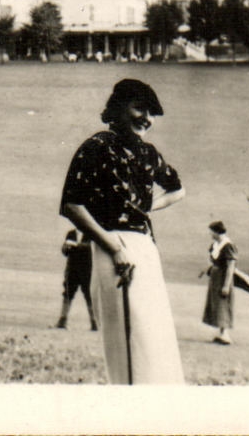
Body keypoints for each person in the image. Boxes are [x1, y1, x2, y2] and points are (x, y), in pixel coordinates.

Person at [59, 77, 185, 384]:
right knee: (128, 343)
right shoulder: (96, 147)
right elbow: (72, 206)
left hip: (145, 249)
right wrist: (114, 248)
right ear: (118, 108)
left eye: (152, 113)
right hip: (111, 248)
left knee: (155, 340)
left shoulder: (148, 154)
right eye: (139, 108)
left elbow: (178, 190)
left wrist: (143, 208)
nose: (146, 118)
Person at [201, 221, 238, 344]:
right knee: (216, 305)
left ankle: (226, 335)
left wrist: (226, 285)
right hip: (215, 279)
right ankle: (221, 334)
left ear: (217, 232)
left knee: (223, 305)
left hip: (223, 278)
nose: (210, 234)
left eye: (211, 231)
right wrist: (204, 270)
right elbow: (212, 261)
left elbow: (231, 266)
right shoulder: (215, 245)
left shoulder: (228, 245)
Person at [55, 229, 97, 331]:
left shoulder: (90, 234)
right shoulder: (71, 233)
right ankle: (63, 320)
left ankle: (94, 322)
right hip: (72, 270)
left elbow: (90, 248)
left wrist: (76, 246)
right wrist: (66, 247)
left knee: (88, 296)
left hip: (86, 270)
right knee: (68, 294)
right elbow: (65, 251)